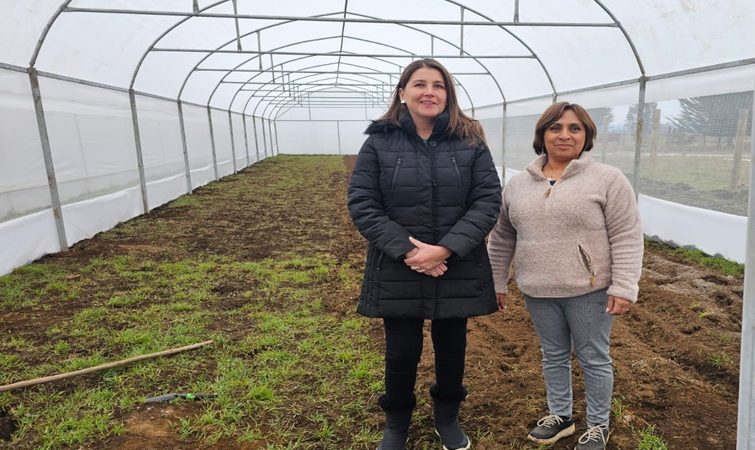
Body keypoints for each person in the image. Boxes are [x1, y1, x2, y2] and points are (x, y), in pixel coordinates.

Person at [347, 58, 502, 450]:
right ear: (403, 93)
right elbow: (363, 202)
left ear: (448, 94)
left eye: (438, 85)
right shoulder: (380, 142)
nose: (429, 91)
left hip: (457, 264)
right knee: (401, 350)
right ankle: (396, 423)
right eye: (419, 84)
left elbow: (487, 200)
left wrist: (445, 248)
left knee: (452, 347)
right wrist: (408, 251)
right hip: (400, 265)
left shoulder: (469, 141)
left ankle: (447, 418)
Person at [487, 102, 643, 450]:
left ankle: (598, 424)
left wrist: (624, 286)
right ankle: (561, 416)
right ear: (542, 135)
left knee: (593, 357)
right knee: (553, 354)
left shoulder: (607, 179)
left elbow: (627, 234)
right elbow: (502, 237)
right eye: (555, 127)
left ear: (586, 136)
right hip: (537, 288)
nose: (564, 135)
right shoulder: (517, 184)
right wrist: (497, 281)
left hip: (588, 290)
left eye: (575, 128)